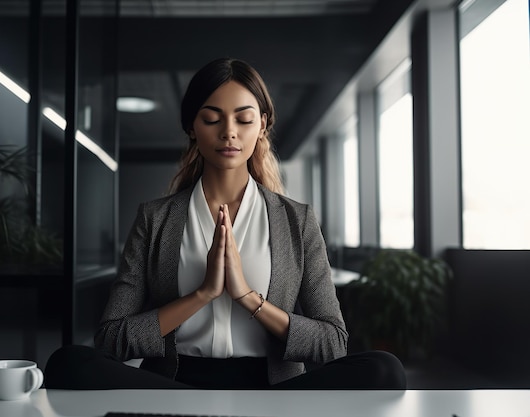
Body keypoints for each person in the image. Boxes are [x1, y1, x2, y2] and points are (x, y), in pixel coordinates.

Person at [44, 57, 406, 390]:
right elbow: (111, 338)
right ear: (191, 127)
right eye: (212, 118)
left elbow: (333, 342)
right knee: (68, 362)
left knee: (384, 369)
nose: (228, 132)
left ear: (262, 125)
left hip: (271, 388)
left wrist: (249, 299)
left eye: (244, 119)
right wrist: (201, 295)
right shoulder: (155, 219)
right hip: (176, 385)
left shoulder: (297, 221)